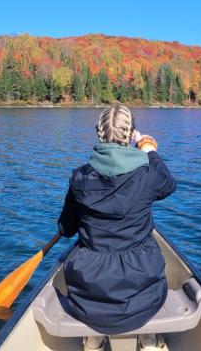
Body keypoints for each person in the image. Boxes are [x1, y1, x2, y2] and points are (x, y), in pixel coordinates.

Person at [56, 104, 177, 351]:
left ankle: (94, 341)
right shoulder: (148, 175)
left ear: (98, 133)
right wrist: (149, 151)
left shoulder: (79, 178)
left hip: (89, 296)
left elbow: (66, 229)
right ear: (131, 134)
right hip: (144, 292)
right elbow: (169, 184)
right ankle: (149, 341)